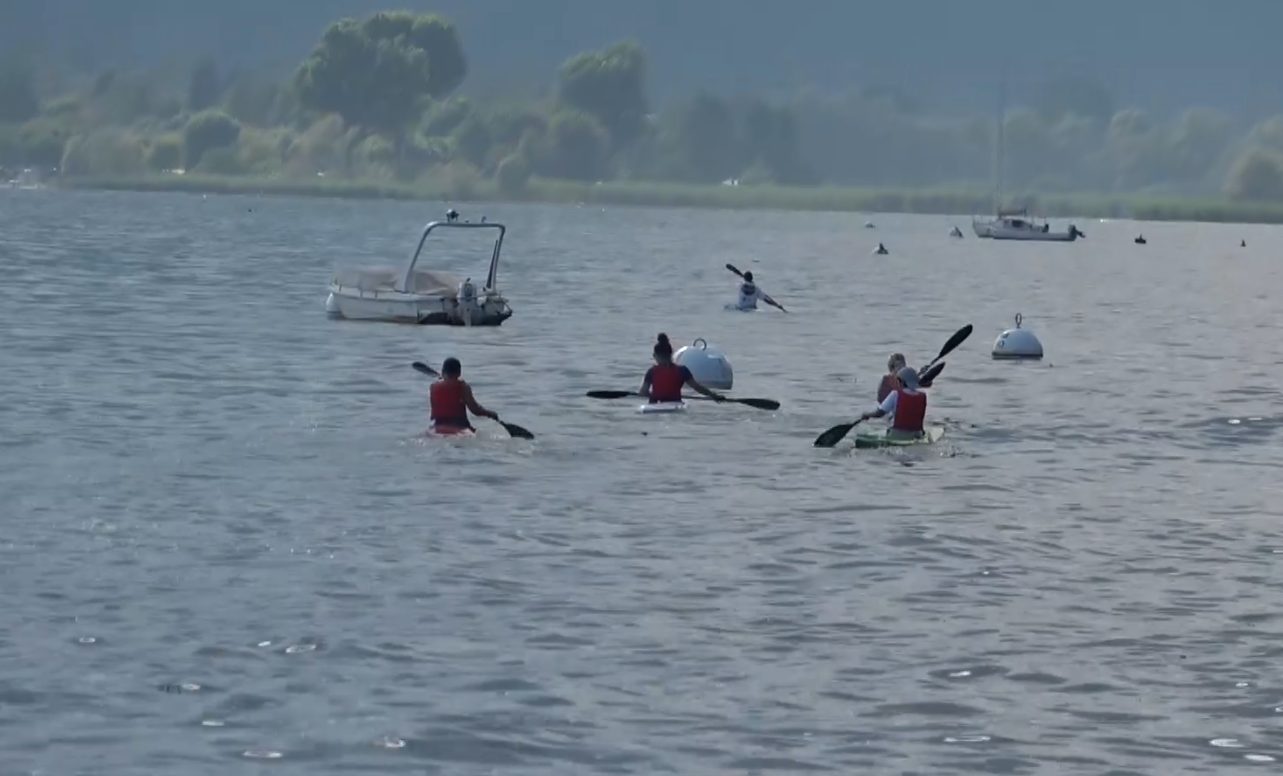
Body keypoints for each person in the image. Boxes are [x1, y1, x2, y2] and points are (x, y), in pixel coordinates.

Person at [639, 333, 726, 403]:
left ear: (655, 356)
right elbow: (697, 387)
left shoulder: (651, 371)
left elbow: (643, 392)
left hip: (654, 406)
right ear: (671, 354)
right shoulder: (682, 370)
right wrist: (714, 395)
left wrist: (653, 395)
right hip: (675, 405)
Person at [429, 357, 498, 433]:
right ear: (459, 373)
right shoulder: (463, 387)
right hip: (460, 426)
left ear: (442, 372)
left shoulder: (433, 387)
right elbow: (475, 410)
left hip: (437, 426)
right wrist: (490, 414)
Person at [861, 366, 927, 439]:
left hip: (897, 434)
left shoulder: (895, 394)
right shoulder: (923, 396)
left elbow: (879, 413)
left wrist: (867, 414)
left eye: (898, 380)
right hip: (917, 434)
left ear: (902, 382)